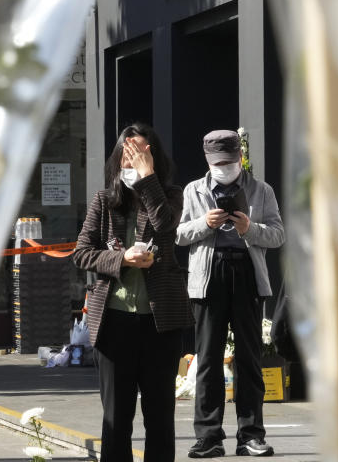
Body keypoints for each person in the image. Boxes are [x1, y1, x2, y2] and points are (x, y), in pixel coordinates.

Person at [72, 123, 194, 462]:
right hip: (113, 323)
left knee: (159, 418)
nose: (135, 158)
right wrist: (121, 258)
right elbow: (81, 254)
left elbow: (166, 226)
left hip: (160, 324)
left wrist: (147, 178)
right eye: (129, 153)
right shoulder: (104, 201)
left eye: (143, 152)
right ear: (117, 158)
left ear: (154, 157)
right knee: (116, 419)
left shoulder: (170, 195)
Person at [176, 130, 285, 458]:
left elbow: (278, 235)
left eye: (229, 161)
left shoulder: (261, 190)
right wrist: (204, 224)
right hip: (208, 278)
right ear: (208, 161)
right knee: (207, 358)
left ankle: (251, 434)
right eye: (217, 163)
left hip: (248, 275)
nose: (224, 167)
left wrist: (248, 228)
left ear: (240, 157)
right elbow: (179, 235)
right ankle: (208, 436)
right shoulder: (194, 189)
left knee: (249, 358)